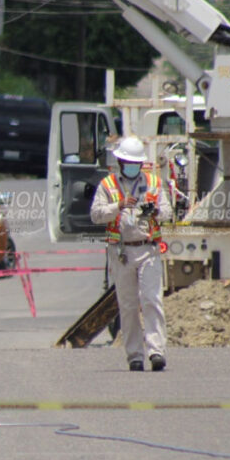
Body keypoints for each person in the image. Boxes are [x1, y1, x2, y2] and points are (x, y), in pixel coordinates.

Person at [90, 136, 172, 372]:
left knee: (151, 300)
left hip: (148, 249)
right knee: (127, 305)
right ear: (120, 161)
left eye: (136, 162)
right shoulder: (108, 186)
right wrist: (118, 206)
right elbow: (96, 214)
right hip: (121, 251)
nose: (132, 166)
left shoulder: (154, 184)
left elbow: (167, 212)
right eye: (128, 162)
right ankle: (134, 355)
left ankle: (156, 351)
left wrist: (155, 210)